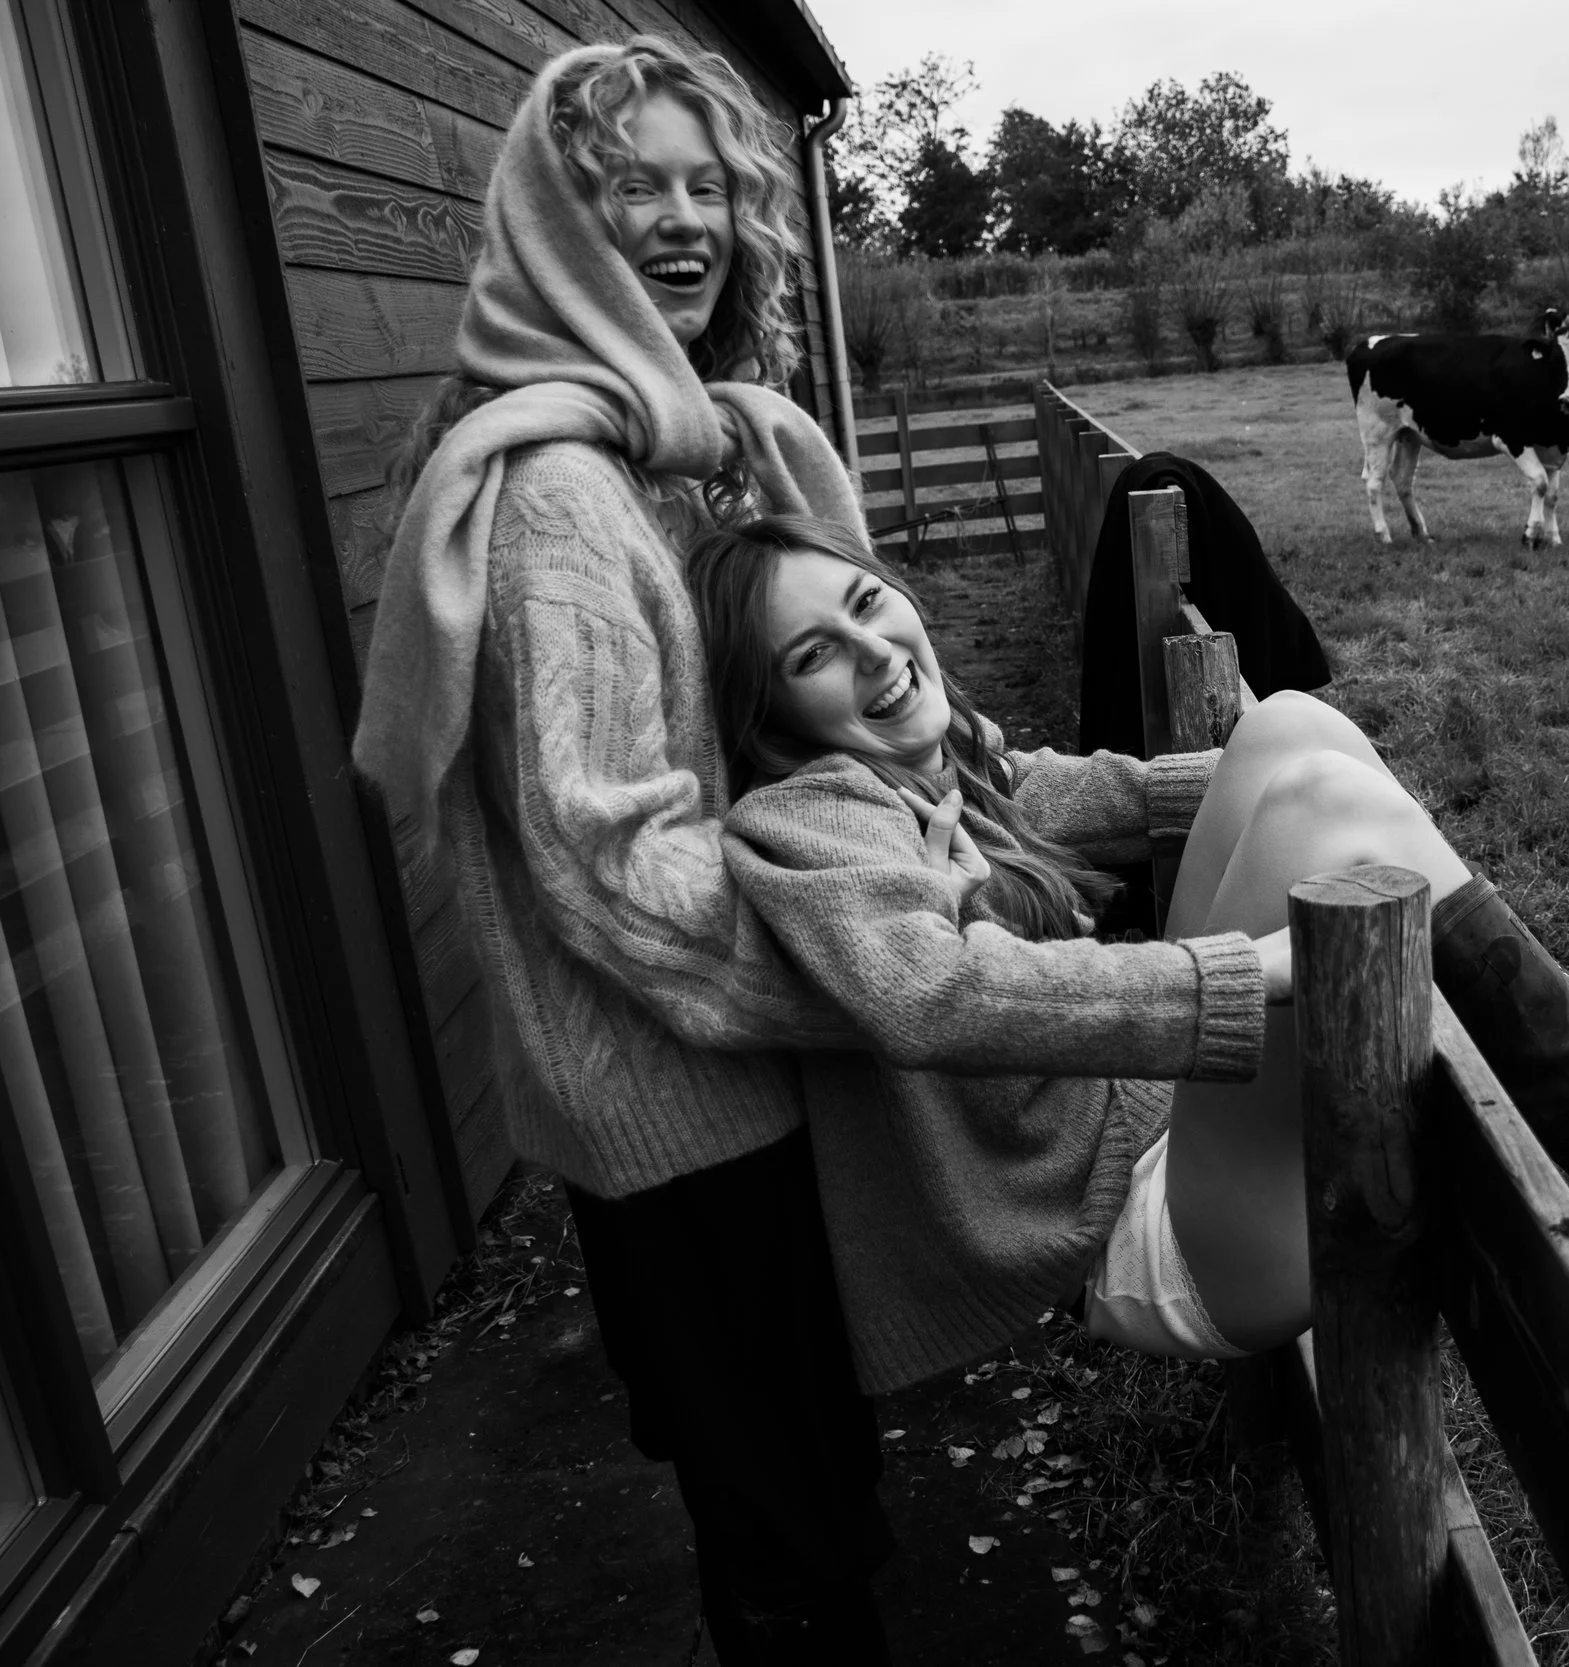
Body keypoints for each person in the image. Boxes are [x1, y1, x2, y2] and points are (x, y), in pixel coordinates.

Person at [692, 515, 1569, 1383]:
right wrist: (1257, 967)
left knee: (1292, 729)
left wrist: (1316, 763)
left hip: (1149, 1126)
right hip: (1141, 1235)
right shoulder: (810, 822)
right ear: (773, 713)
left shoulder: (938, 767)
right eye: (812, 655)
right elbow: (935, 996)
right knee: (1309, 795)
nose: (872, 649)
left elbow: (1067, 790)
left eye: (861, 601)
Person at [348, 38, 904, 1664]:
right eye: (630, 186)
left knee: (787, 1467)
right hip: (685, 1097)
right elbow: (611, 861)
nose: (686, 219)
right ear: (551, 222)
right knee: (791, 1519)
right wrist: (894, 959)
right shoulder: (558, 504)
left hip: (713, 1073)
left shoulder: (682, 444)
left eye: (707, 184)